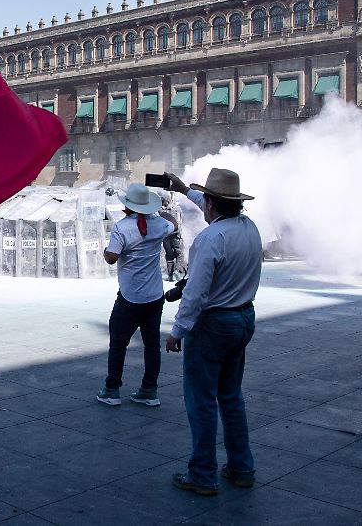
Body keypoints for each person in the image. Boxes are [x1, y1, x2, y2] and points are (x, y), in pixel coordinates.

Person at [164, 169, 261, 497]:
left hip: (212, 325)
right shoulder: (250, 229)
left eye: (204, 200)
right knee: (231, 397)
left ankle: (203, 475)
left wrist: (177, 330)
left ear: (211, 204)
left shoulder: (209, 239)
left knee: (202, 401)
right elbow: (208, 206)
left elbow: (196, 294)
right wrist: (181, 190)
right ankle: (241, 467)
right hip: (243, 318)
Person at [96, 183, 178, 408]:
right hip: (154, 296)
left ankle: (112, 389)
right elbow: (174, 223)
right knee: (152, 345)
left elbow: (111, 257)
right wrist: (159, 210)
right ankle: (149, 390)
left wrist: (105, 250)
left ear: (127, 207)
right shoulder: (160, 224)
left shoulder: (122, 228)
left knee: (118, 343)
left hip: (130, 296)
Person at [162, 192, 187, 281]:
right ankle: (177, 271)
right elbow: (182, 219)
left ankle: (170, 275)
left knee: (169, 255)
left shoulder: (160, 211)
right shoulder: (177, 208)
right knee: (180, 253)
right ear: (169, 200)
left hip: (165, 235)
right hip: (176, 234)